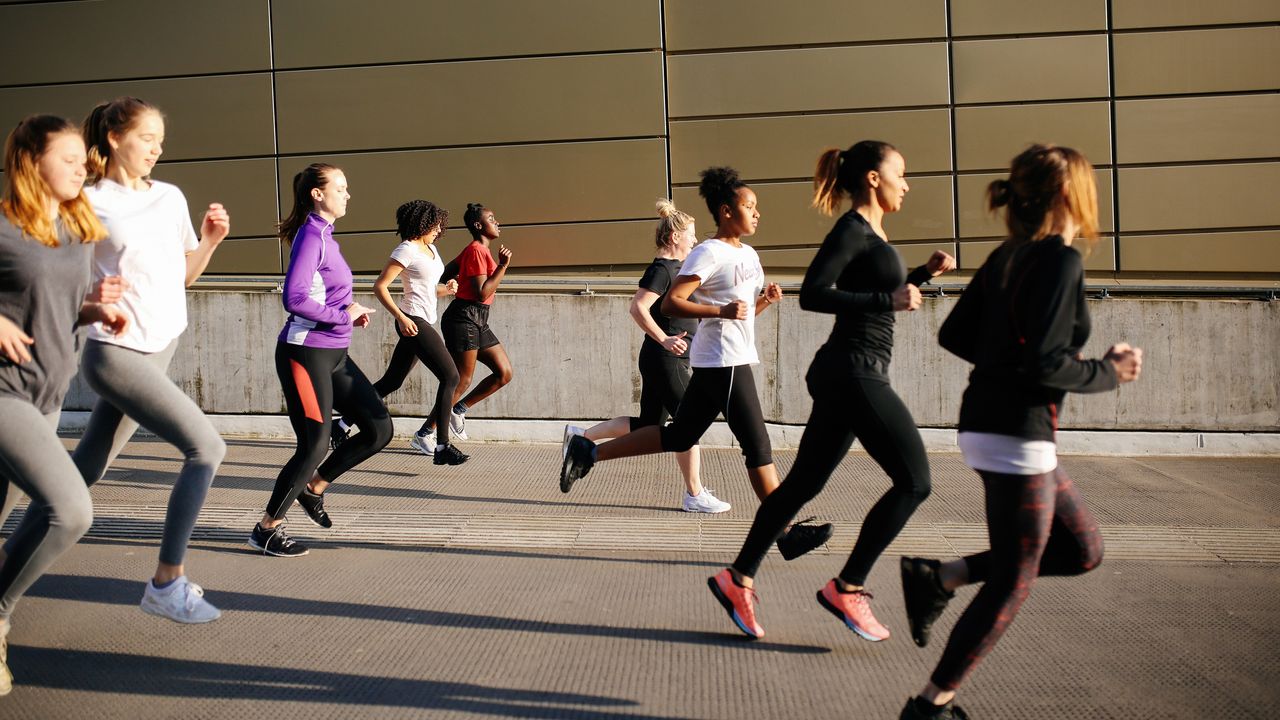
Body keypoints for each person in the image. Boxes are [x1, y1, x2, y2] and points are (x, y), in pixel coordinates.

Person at [898, 144, 1142, 720]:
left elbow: (955, 335)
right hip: (1017, 435)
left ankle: (942, 575)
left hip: (992, 425)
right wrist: (1111, 370)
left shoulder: (1010, 254)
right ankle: (931, 706)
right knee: (1014, 580)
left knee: (1083, 549)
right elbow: (1045, 365)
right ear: (1068, 195)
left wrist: (1010, 358)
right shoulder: (1058, 261)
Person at [707, 141, 956, 640]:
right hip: (854, 370)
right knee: (915, 481)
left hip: (850, 371)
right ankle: (849, 587)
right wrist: (889, 295)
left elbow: (878, 295)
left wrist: (922, 276)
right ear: (871, 178)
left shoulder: (873, 234)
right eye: (900, 173)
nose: (905, 184)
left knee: (802, 485)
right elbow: (816, 292)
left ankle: (737, 579)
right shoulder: (852, 229)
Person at [10, 97, 232, 625]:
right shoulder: (86, 201)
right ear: (114, 137)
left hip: (163, 345)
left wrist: (209, 241)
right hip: (115, 353)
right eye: (146, 137)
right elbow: (54, 269)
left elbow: (184, 277)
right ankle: (166, 582)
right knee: (206, 448)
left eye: (161, 139)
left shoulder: (170, 196)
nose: (157, 148)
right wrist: (90, 300)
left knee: (87, 465)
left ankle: (9, 559)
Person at [561, 167, 831, 557]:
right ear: (725, 211)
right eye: (749, 206)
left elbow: (741, 313)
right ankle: (786, 533)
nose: (757, 214)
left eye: (757, 207)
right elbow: (671, 302)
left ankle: (589, 452)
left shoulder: (749, 254)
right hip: (724, 362)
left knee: (678, 435)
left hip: (723, 359)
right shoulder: (708, 251)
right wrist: (720, 311)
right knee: (757, 446)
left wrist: (764, 302)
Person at [0, 114, 129, 692]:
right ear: (31, 161)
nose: (82, 167)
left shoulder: (76, 228)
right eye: (69, 158)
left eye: (84, 158)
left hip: (46, 394)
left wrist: (93, 309)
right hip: (4, 395)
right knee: (71, 510)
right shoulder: (2, 228)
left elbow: (54, 311)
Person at [248, 163, 392, 557]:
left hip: (335, 354)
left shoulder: (327, 238)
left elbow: (325, 294)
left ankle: (314, 488)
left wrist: (349, 309)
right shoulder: (312, 236)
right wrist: (342, 315)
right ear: (317, 193)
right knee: (313, 445)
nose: (348, 194)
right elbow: (294, 299)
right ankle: (267, 528)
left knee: (379, 430)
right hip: (304, 353)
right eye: (341, 187)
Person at [564, 199, 728, 513]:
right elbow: (637, 307)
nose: (695, 240)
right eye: (690, 235)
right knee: (688, 423)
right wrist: (665, 339)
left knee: (648, 424)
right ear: (675, 237)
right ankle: (694, 494)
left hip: (663, 359)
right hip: (666, 359)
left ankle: (581, 437)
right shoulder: (662, 269)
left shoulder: (677, 269)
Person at [352, 199, 468, 465]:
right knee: (451, 376)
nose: (439, 229)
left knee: (392, 381)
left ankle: (343, 422)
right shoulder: (406, 249)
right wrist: (401, 317)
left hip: (423, 319)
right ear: (422, 223)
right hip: (412, 321)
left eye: (440, 225)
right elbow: (380, 286)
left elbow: (428, 288)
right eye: (435, 224)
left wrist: (447, 289)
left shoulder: (431, 250)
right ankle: (441, 447)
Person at [425, 203, 514, 442]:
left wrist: (455, 280)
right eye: (492, 218)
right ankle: (424, 433)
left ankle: (458, 409)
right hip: (464, 317)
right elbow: (482, 293)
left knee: (503, 373)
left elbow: (445, 272)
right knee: (461, 380)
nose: (497, 222)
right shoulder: (476, 250)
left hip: (478, 319)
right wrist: (503, 267)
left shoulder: (475, 251)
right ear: (478, 225)